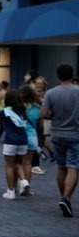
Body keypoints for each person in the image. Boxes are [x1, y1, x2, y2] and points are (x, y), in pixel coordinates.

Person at [41, 64, 79, 217]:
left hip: (57, 134)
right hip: (76, 134)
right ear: (72, 74)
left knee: (61, 167)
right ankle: (66, 197)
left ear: (58, 75)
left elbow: (43, 114)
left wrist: (54, 116)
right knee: (73, 167)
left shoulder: (51, 93)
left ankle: (63, 197)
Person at [0, 89, 30, 200]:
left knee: (9, 166)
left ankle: (10, 191)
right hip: (23, 141)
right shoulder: (23, 111)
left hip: (10, 141)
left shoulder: (4, 112)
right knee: (18, 164)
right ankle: (24, 181)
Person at [16, 84, 42, 197]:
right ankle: (27, 188)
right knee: (28, 163)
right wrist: (41, 138)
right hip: (32, 137)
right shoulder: (37, 108)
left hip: (19, 136)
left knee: (17, 162)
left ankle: (19, 184)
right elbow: (40, 126)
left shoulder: (17, 107)